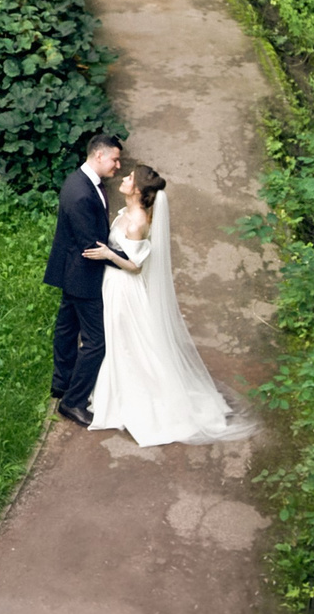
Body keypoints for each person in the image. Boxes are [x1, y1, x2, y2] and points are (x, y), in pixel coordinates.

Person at [83, 163, 257, 447]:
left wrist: (108, 255)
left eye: (129, 178)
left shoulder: (137, 221)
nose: (124, 178)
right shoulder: (129, 212)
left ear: (138, 189)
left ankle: (139, 395)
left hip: (124, 287)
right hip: (113, 283)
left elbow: (135, 266)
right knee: (120, 339)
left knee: (126, 340)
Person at [45, 132, 127, 426]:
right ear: (100, 155)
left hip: (70, 269)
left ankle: (61, 383)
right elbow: (91, 246)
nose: (118, 166)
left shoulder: (81, 181)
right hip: (82, 275)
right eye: (115, 160)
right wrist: (129, 261)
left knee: (67, 329)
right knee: (96, 342)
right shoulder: (81, 193)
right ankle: (73, 402)